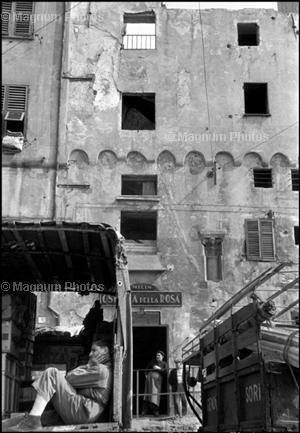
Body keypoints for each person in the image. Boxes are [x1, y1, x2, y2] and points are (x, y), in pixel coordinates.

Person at [10, 340, 112, 431]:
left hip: (83, 411)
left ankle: (33, 421)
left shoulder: (101, 370)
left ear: (105, 351)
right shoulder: (102, 370)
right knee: (43, 417)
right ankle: (32, 419)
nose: (90, 354)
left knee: (52, 374)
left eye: (94, 350)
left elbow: (69, 378)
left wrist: (88, 365)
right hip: (84, 410)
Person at [142, 350, 167, 417]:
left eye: (159, 355)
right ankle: (144, 411)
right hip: (149, 380)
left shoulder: (164, 363)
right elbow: (146, 369)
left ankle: (155, 411)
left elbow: (165, 372)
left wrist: (159, 368)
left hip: (157, 381)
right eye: (157, 355)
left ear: (162, 356)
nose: (157, 356)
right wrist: (146, 375)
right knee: (147, 394)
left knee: (155, 395)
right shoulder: (152, 362)